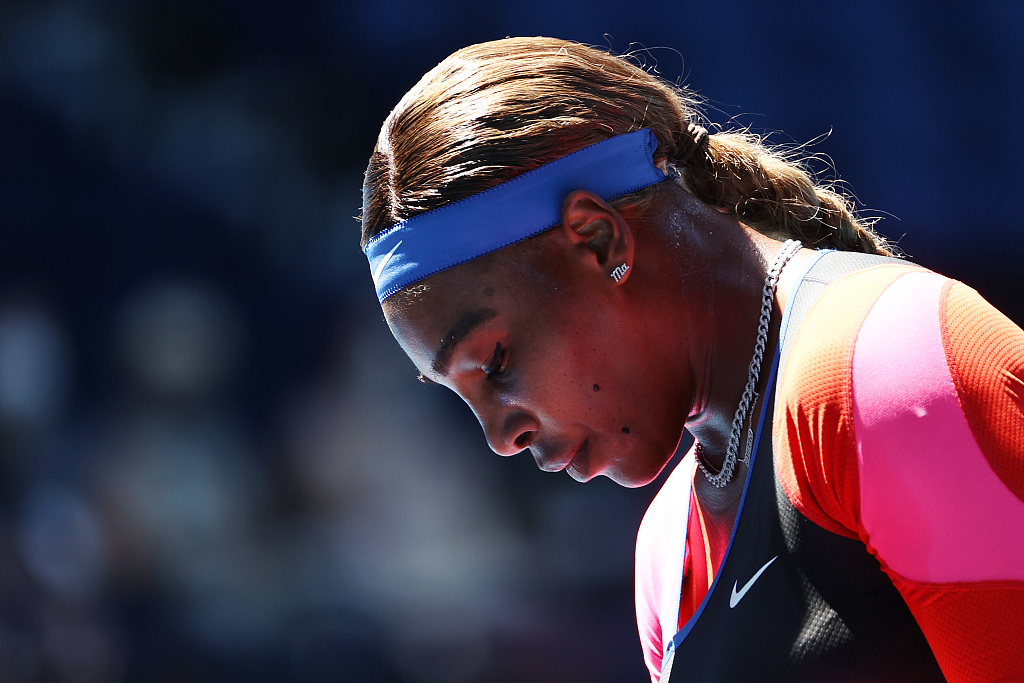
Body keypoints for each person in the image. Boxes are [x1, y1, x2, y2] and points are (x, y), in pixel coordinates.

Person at [359, 37, 1024, 682]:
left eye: (496, 363)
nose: (501, 438)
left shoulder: (884, 372)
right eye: (460, 394)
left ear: (598, 239)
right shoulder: (667, 548)